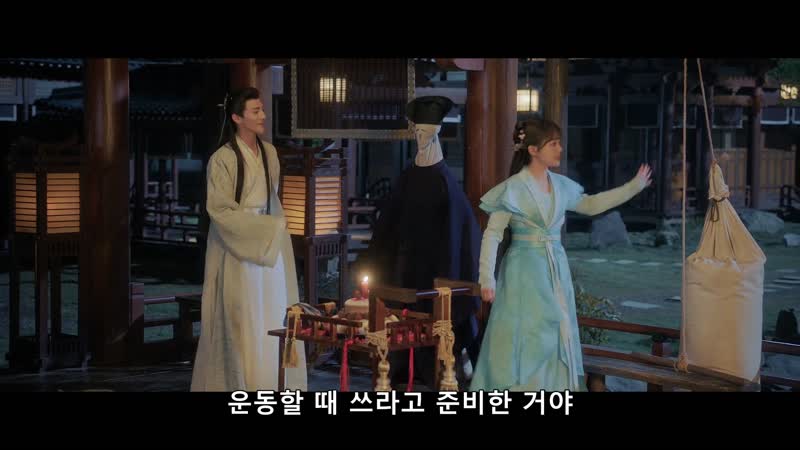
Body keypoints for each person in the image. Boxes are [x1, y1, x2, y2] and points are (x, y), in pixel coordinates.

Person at [469, 118, 652, 392]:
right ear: (533, 150)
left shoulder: (561, 185)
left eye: (559, 143)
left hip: (555, 269)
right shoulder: (513, 188)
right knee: (529, 335)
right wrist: (487, 278)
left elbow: (591, 204)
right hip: (523, 272)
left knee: (557, 333)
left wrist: (633, 187)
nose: (560, 149)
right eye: (553, 144)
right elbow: (493, 234)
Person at [362, 96, 482, 389]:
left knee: (434, 318)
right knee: (402, 315)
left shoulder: (445, 181)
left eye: (427, 132)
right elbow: (389, 221)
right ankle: (401, 369)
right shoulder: (407, 176)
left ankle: (437, 371)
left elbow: (459, 231)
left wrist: (450, 270)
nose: (421, 137)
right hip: (405, 263)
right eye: (417, 132)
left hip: (438, 264)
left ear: (437, 132)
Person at [191, 87, 307, 391]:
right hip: (238, 246)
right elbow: (220, 211)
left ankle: (272, 383)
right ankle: (242, 385)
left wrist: (274, 233)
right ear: (237, 117)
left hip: (267, 245)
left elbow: (272, 200)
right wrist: (262, 229)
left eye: (262, 109)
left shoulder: (269, 153)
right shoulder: (223, 159)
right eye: (255, 111)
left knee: (273, 311)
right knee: (243, 316)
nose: (263, 116)